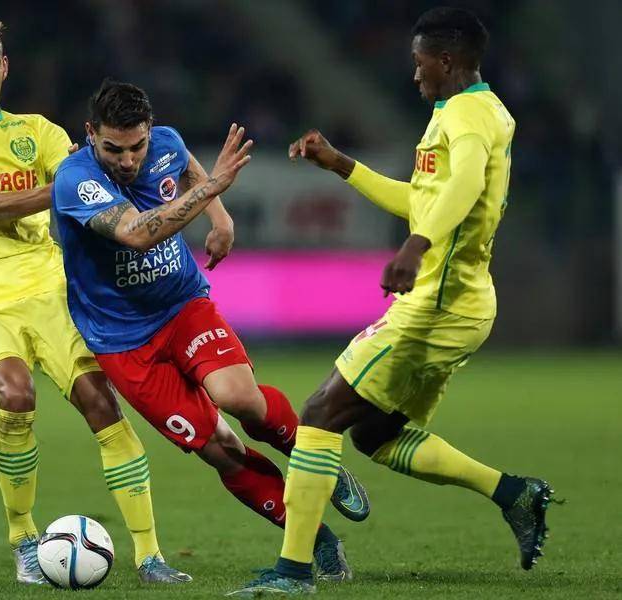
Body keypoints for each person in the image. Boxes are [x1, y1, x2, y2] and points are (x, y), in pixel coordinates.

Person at [231, 7, 555, 595]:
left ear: (446, 60)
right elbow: (423, 199)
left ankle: (293, 572)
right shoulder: (470, 112)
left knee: (319, 414)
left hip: (438, 304)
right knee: (374, 435)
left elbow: (466, 186)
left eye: (420, 62)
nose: (415, 73)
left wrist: (416, 245)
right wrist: (343, 166)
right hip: (459, 301)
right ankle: (514, 493)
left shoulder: (468, 116)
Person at [0, 14, 189, 586]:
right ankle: (24, 539)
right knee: (14, 395)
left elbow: (102, 181)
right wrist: (71, 189)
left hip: (50, 285)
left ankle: (150, 555)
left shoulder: (41, 132)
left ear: (6, 67)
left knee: (102, 404)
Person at [52, 79, 371, 583]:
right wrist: (214, 191)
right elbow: (136, 233)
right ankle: (314, 538)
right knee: (220, 449)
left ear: (150, 130)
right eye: (114, 149)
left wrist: (220, 220)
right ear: (91, 133)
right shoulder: (75, 179)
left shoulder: (167, 143)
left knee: (239, 397)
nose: (128, 160)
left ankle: (319, 464)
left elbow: (187, 168)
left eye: (136, 146)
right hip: (122, 342)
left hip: (182, 305)